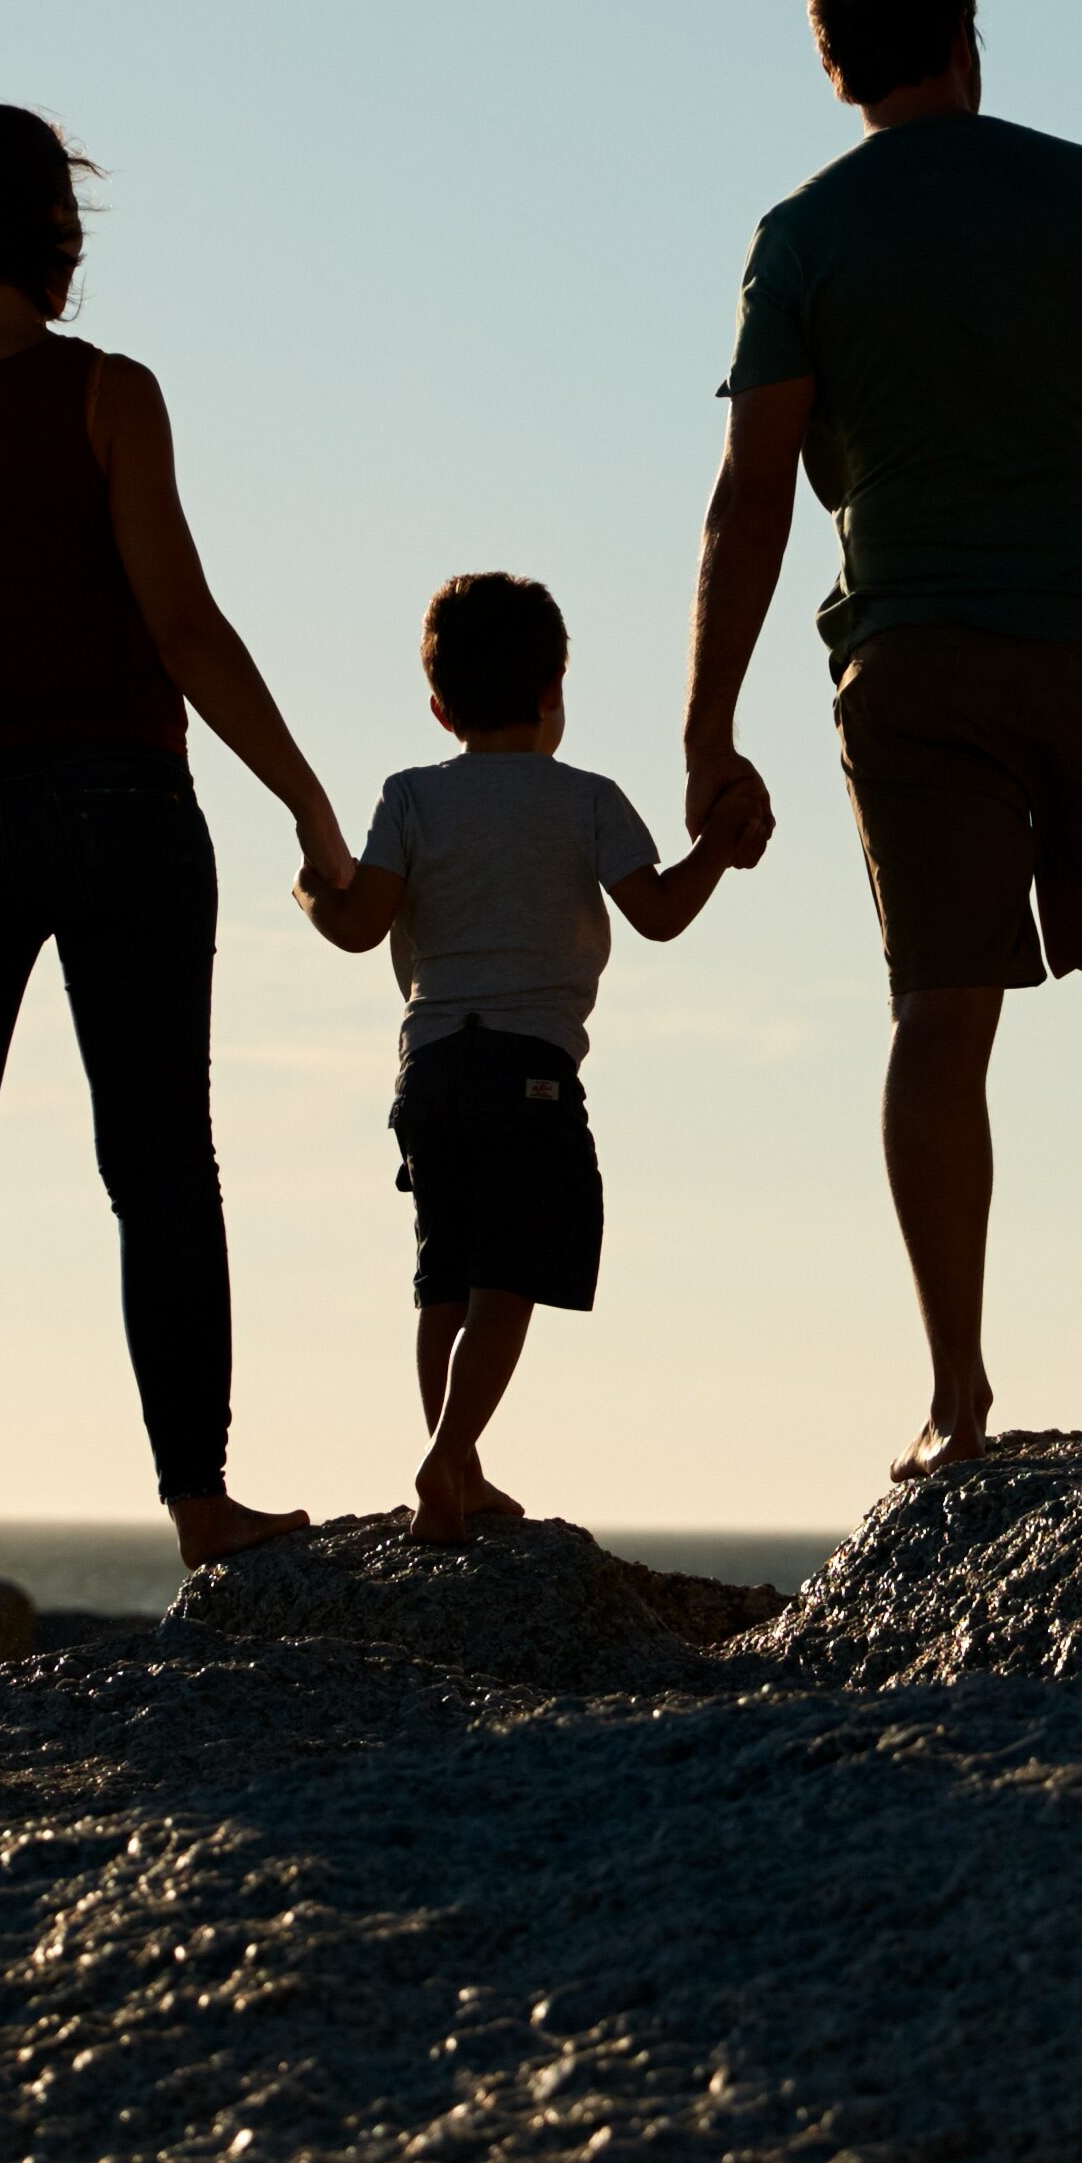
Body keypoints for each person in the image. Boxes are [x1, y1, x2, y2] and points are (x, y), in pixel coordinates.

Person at [679, 0, 1082, 1480]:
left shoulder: (804, 232)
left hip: (917, 659)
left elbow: (751, 491)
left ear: (835, 66)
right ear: (965, 38)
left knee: (938, 1015)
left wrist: (706, 725)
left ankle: (955, 1396)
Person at [0, 103, 346, 1603]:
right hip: (118, 802)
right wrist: (305, 801)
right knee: (160, 1164)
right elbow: (184, 625)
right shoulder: (109, 394)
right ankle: (201, 1505)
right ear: (53, 230)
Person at [295, 573, 748, 1542]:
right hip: (530, 1068)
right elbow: (660, 912)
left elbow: (360, 923)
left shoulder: (409, 795)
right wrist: (715, 848)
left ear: (439, 705)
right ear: (554, 690)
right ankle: (447, 1458)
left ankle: (458, 1466)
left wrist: (313, 894)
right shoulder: (585, 800)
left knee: (442, 1275)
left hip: (428, 1073)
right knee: (511, 1274)